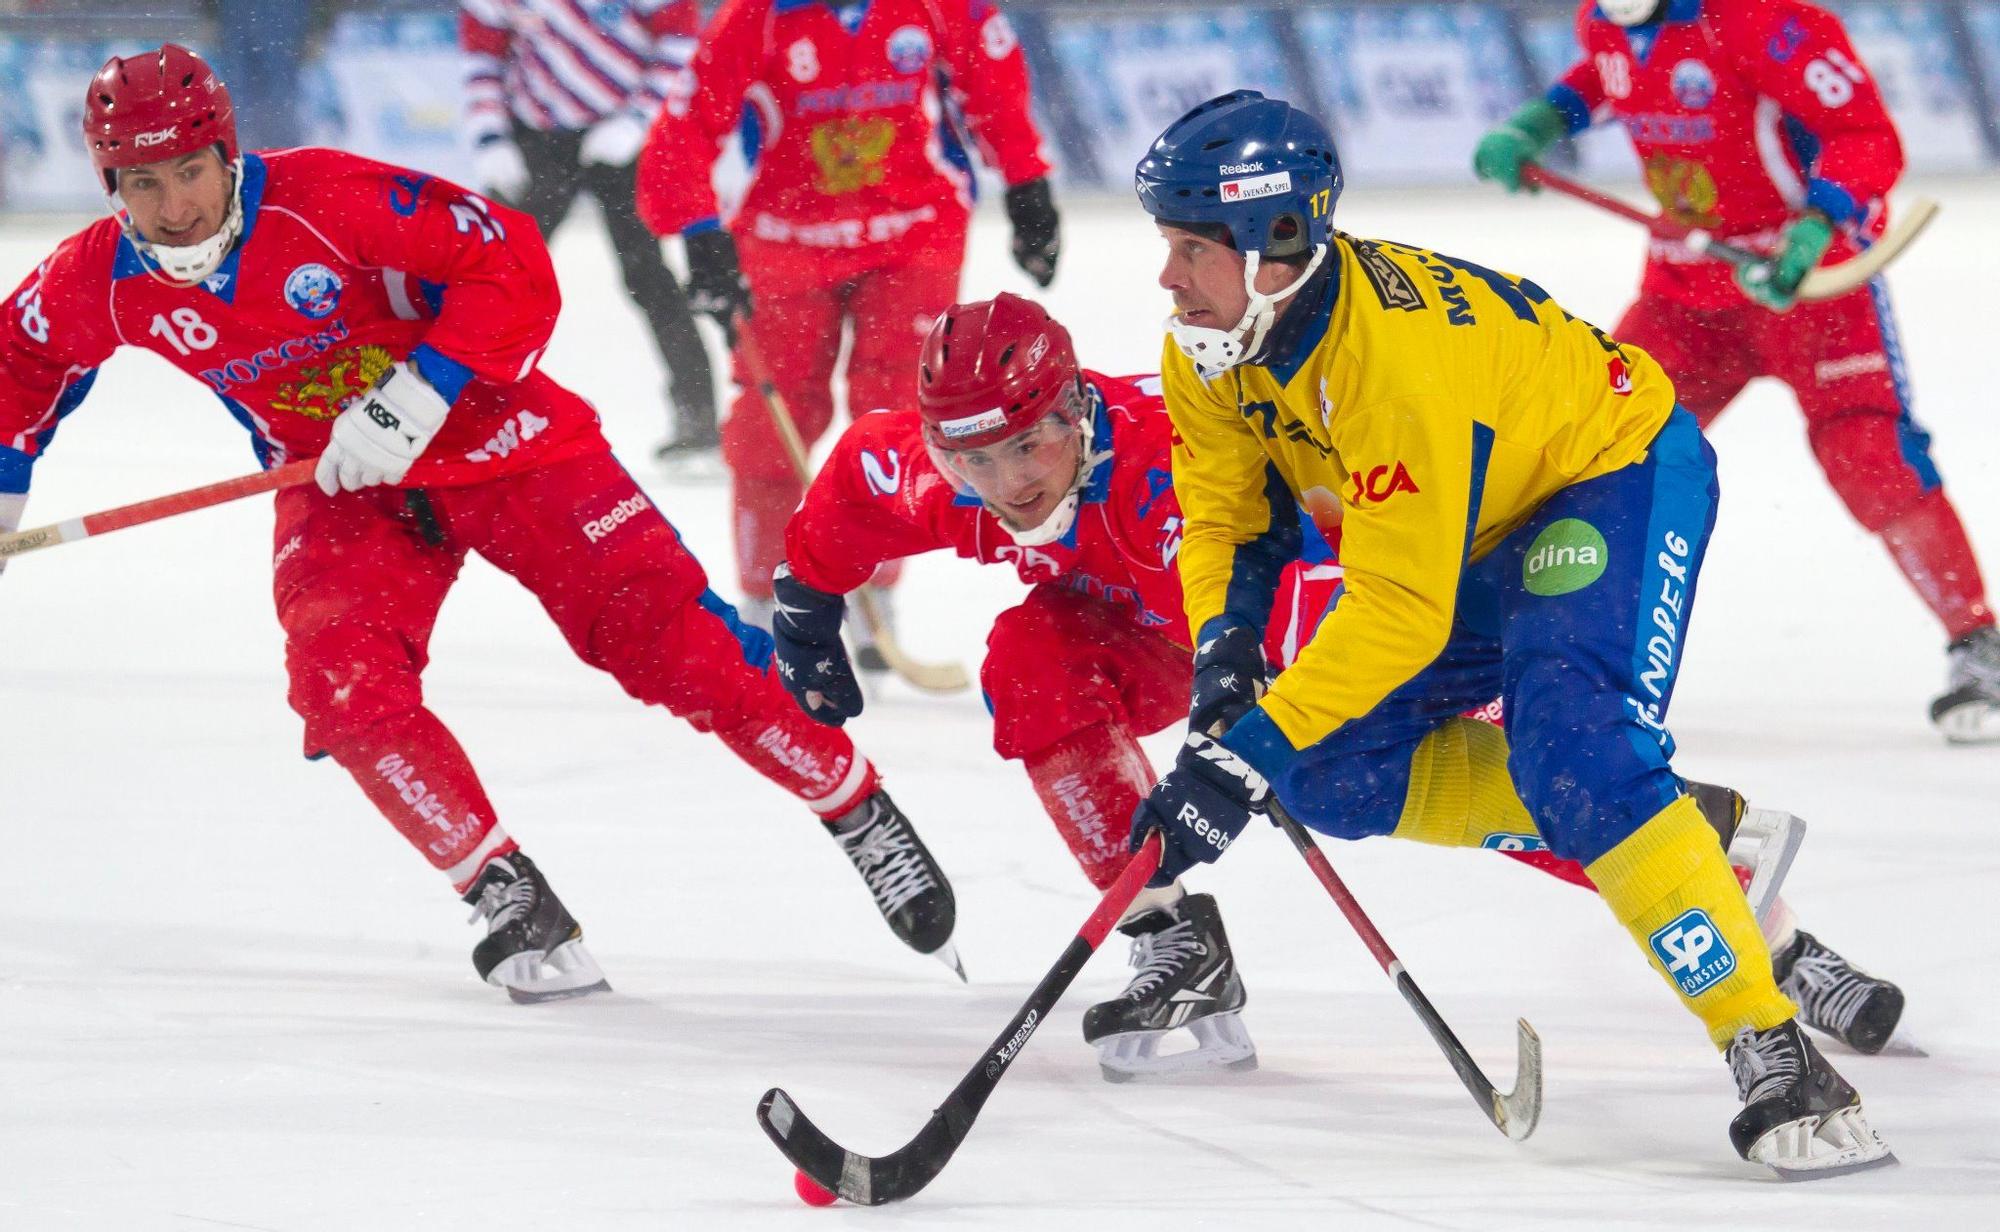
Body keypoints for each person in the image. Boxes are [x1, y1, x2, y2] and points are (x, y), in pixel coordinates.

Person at [0, 44, 958, 1004]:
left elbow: (508, 260)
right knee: (341, 678)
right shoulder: (105, 272)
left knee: (662, 637)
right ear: (110, 182)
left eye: (190, 173)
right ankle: (504, 892)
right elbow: (19, 358)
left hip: (503, 437)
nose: (174, 208)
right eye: (143, 183)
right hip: (342, 481)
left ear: (226, 153)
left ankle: (850, 802)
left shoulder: (327, 197)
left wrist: (418, 395)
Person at [775, 293, 1904, 1081]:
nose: (1001, 486)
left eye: (1023, 451)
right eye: (968, 462)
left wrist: (1244, 739)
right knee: (1025, 662)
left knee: (1469, 779)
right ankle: (1176, 939)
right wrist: (805, 608)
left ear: (1071, 411)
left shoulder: (1179, 478)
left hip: (1322, 598)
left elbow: (1338, 636)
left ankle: (1762, 920)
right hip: (1127, 624)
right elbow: (844, 494)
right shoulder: (939, 469)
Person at [1131, 90, 1891, 1177]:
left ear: (1276, 245)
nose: (1167, 278)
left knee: (1573, 751)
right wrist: (1223, 666)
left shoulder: (1389, 365)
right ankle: (1681, 835)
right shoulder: (1211, 343)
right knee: (1327, 773)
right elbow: (1226, 521)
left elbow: (1397, 609)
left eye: (1190, 250)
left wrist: (1240, 752)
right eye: (1168, 247)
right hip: (1476, 517)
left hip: (1606, 476)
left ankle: (1771, 1049)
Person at [1473, 0, 1997, 743]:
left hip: (1807, 282)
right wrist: (1544, 119)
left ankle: (1977, 641)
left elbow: (1863, 132)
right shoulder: (1605, 17)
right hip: (1686, 290)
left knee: (1868, 455)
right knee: (1590, 444)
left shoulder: (1766, 20)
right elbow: (1612, 71)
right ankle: (1513, 656)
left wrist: (1820, 221)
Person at [634, 0, 1060, 629]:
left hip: (914, 234)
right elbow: (687, 124)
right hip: (785, 240)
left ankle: (874, 595)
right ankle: (765, 599)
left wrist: (1027, 183)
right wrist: (700, 235)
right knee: (771, 425)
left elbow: (992, 78)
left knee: (897, 419)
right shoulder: (757, 16)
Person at [458, 0, 719, 466]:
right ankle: (459, 410)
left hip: (624, 139)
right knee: (496, 279)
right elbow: (482, 54)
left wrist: (638, 121)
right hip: (535, 139)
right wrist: (490, 136)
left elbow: (680, 43)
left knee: (649, 279)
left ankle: (697, 416)